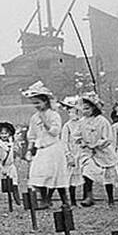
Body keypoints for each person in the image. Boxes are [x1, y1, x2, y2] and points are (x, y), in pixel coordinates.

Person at [23, 81, 70, 209]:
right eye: (34, 103)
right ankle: (45, 200)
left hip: (53, 148)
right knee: (39, 174)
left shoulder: (54, 115)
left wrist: (45, 121)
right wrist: (29, 150)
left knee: (56, 175)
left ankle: (65, 200)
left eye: (38, 102)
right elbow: (31, 135)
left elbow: (55, 132)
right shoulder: (34, 118)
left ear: (45, 101)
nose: (36, 106)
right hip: (41, 149)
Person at [77, 93, 118, 207]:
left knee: (108, 177)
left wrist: (96, 144)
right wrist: (82, 142)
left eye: (87, 108)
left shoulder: (102, 121)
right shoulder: (81, 122)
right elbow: (77, 135)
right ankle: (89, 196)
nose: (84, 111)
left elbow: (108, 138)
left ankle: (111, 199)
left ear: (94, 108)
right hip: (89, 153)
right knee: (87, 171)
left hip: (103, 152)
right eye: (83, 109)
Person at [61, 97, 85, 206]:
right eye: (70, 112)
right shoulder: (67, 126)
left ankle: (86, 199)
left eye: (75, 111)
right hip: (73, 152)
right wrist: (68, 155)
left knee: (86, 175)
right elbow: (64, 142)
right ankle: (73, 200)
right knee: (72, 178)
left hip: (83, 151)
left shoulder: (83, 123)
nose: (72, 114)